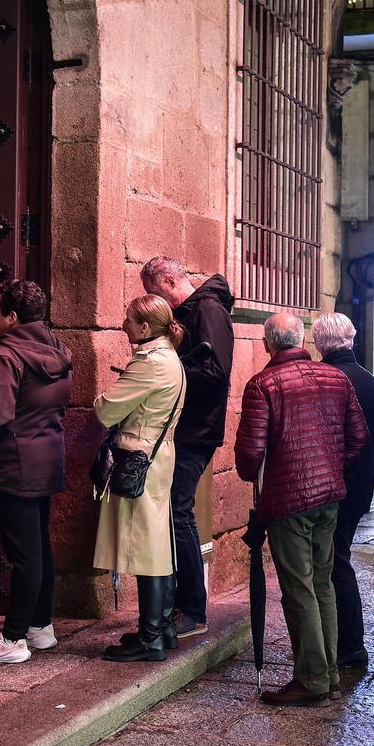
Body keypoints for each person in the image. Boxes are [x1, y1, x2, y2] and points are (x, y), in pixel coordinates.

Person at [235, 314, 369, 707]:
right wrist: (330, 466)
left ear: (267, 344)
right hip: (329, 497)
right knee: (322, 584)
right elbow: (359, 437)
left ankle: (311, 679)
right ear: (301, 339)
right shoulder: (335, 378)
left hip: (288, 500)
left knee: (298, 590)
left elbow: (249, 454)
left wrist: (260, 475)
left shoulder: (263, 384)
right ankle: (327, 676)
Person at [0, 280, 73, 665]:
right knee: (38, 546)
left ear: (12, 317)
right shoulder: (58, 350)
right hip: (46, 457)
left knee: (23, 553)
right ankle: (39, 627)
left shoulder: (7, 356)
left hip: (13, 462)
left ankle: (11, 639)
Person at [140, 256, 235, 638]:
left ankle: (192, 609)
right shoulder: (194, 311)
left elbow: (216, 373)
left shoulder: (208, 310)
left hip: (197, 430)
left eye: (153, 291)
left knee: (179, 513)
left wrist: (166, 373)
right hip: (185, 428)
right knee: (173, 513)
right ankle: (182, 604)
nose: (153, 299)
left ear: (167, 280)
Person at [94, 295, 187, 662]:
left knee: (146, 547)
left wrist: (103, 396)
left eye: (129, 319)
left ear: (145, 328)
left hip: (138, 458)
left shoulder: (150, 363)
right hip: (155, 457)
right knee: (157, 543)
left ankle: (150, 637)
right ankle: (160, 629)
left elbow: (106, 409)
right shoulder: (169, 359)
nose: (123, 324)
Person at [314, 312, 374, 671]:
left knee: (334, 562)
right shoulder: (370, 380)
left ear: (319, 344)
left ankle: (349, 645)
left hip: (334, 485)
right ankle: (346, 643)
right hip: (360, 484)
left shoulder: (327, 378)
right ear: (352, 338)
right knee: (338, 557)